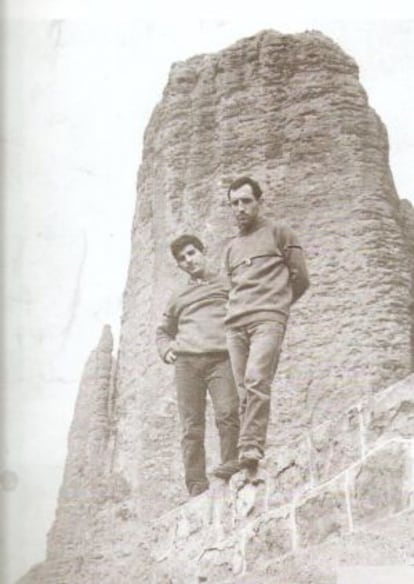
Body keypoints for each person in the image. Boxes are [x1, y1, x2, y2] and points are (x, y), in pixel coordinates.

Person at [224, 176, 310, 471]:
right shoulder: (232, 247)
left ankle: (251, 446)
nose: (240, 208)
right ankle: (245, 448)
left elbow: (301, 278)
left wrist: (277, 306)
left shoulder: (280, 233)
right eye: (234, 203)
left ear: (259, 202)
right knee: (243, 390)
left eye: (246, 201)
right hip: (235, 326)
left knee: (257, 380)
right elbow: (233, 286)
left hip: (267, 320)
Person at [156, 234, 240, 497]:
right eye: (182, 259)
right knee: (191, 426)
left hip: (221, 358)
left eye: (191, 253)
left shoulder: (227, 284)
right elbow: (163, 331)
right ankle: (196, 485)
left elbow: (246, 310)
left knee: (227, 412)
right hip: (187, 363)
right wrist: (166, 349)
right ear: (179, 266)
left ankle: (231, 465)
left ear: (203, 251)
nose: (188, 261)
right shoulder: (178, 296)